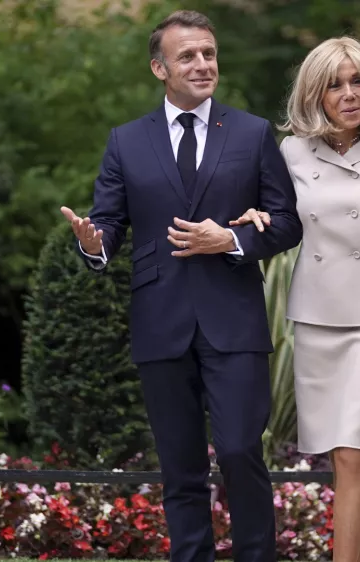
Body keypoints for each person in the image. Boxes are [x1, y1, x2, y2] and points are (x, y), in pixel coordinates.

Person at [58, 10, 302, 562]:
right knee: (181, 466)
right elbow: (109, 225)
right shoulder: (125, 142)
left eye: (209, 54)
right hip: (160, 323)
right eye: (188, 56)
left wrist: (232, 242)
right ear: (159, 68)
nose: (202, 64)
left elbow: (287, 224)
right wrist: (93, 244)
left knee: (241, 452)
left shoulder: (252, 133)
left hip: (234, 321)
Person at [230, 37, 360, 562]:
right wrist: (259, 217)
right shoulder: (293, 151)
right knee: (342, 462)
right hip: (317, 317)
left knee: (352, 454)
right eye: (335, 84)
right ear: (315, 94)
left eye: (358, 80)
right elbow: (282, 218)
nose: (349, 93)